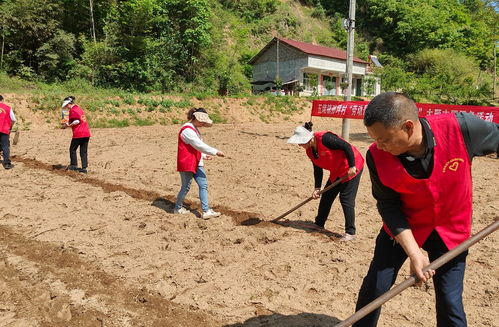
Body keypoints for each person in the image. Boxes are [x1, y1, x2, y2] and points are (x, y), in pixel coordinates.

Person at [354, 92, 499, 327]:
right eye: (375, 139)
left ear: (408, 127)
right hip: (404, 227)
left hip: (451, 229)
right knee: (375, 289)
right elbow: (388, 205)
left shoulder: (461, 129)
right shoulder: (377, 156)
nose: (379, 146)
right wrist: (414, 253)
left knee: (450, 301)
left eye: (384, 139)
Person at [287, 122, 365, 241]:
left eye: (300, 141)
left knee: (345, 198)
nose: (299, 145)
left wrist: (352, 166)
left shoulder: (325, 138)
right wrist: (317, 188)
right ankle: (319, 224)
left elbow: (347, 147)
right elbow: (317, 169)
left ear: (309, 139)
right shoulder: (310, 151)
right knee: (327, 195)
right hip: (337, 170)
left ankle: (350, 232)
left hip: (352, 166)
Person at [175, 107, 225, 219]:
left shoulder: (194, 129)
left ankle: (206, 210)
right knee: (186, 187)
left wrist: (203, 155)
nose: (203, 123)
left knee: (203, 184)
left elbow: (195, 147)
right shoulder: (187, 130)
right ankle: (178, 208)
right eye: (201, 121)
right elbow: (198, 145)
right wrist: (215, 151)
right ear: (195, 118)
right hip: (187, 162)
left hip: (196, 161)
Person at [61, 96, 91, 173]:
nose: (66, 107)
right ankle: (84, 168)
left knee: (72, 149)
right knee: (83, 151)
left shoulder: (73, 110)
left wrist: (68, 125)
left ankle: (74, 165)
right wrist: (67, 124)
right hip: (86, 133)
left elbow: (77, 121)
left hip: (78, 133)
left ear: (68, 104)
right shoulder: (78, 109)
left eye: (66, 105)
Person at [0, 95, 16, 169]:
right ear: (2, 100)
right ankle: (6, 163)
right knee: (5, 146)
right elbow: (13, 119)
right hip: (4, 128)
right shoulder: (8, 108)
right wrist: (10, 126)